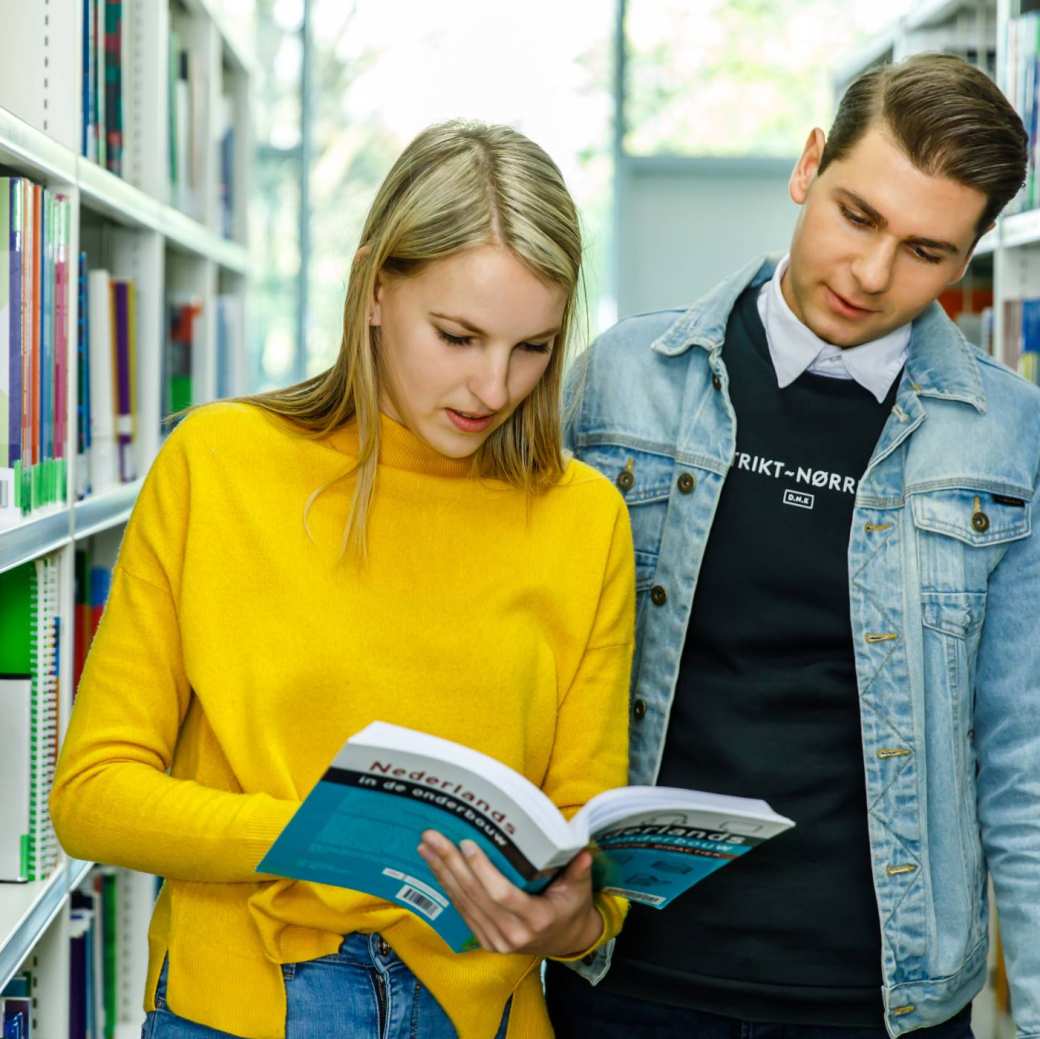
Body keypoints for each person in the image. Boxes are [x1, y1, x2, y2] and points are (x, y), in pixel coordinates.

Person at [50, 120, 636, 1039]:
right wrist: (342, 838)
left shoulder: (584, 516)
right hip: (243, 1005)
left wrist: (579, 916)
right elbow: (93, 795)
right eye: (458, 334)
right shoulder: (219, 463)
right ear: (372, 288)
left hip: (482, 1015)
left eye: (532, 349)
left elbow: (581, 833)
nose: (494, 386)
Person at [546, 53, 1040, 1039]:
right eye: (856, 216)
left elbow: (1020, 759)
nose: (869, 275)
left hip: (878, 1000)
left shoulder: (1004, 435)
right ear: (808, 163)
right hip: (630, 981)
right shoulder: (621, 383)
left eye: (924, 252)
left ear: (969, 256)